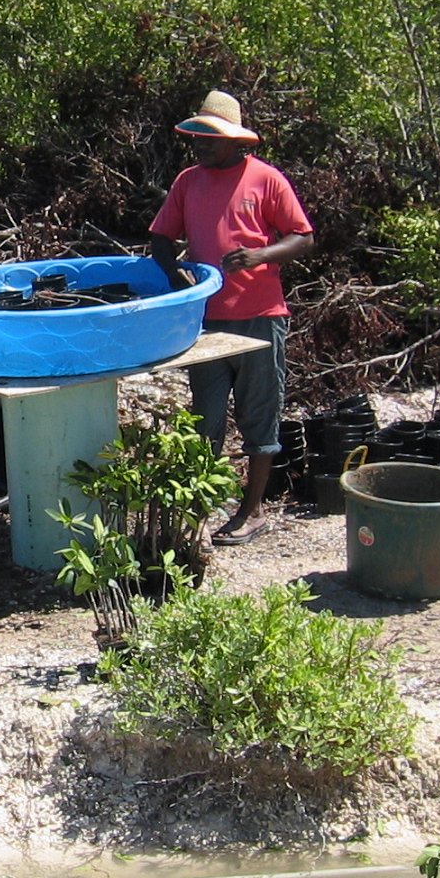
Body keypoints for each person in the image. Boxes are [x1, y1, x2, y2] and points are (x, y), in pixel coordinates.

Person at [148, 90, 315, 544]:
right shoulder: (187, 181)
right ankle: (202, 505)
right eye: (198, 135)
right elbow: (161, 238)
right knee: (205, 417)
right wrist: (175, 272)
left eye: (211, 136)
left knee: (260, 414)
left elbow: (302, 238)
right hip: (205, 322)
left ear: (236, 142)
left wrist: (261, 253)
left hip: (260, 317)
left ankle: (253, 509)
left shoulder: (266, 179)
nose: (201, 143)